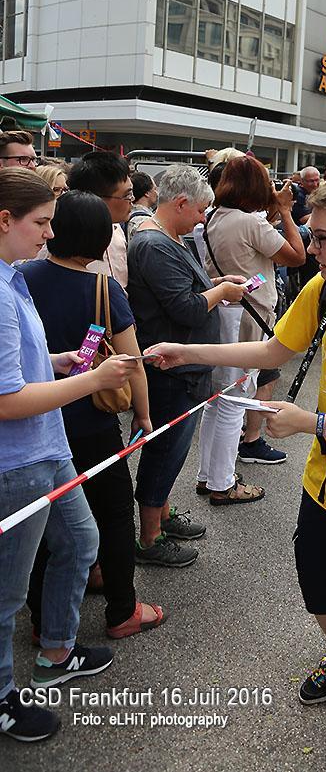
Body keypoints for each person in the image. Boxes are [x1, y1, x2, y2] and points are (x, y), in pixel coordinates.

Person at [146, 177, 326, 772]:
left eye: (321, 235)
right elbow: (271, 353)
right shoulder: (325, 291)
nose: (309, 244)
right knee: (319, 590)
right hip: (324, 485)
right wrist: (188, 349)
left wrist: (311, 422)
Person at [0, 169, 135, 742]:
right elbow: (7, 401)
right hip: (19, 460)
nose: (47, 235)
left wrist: (55, 361)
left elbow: (19, 371)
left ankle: (56, 649)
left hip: (47, 447)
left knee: (81, 540)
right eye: (39, 223)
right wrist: (92, 378)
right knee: (6, 592)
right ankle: (4, 696)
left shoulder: (15, 278)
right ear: (4, 220)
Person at [19, 191, 166, 639]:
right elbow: (131, 360)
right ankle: (123, 610)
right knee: (114, 513)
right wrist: (144, 416)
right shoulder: (104, 289)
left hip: (37, 421)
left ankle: (42, 617)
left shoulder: (19, 278)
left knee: (45, 520)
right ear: (104, 240)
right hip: (95, 425)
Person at [128, 165, 245, 567]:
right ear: (179, 203)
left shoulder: (166, 239)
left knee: (172, 450)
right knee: (164, 450)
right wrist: (222, 292)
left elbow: (189, 292)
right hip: (172, 368)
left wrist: (214, 285)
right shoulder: (155, 245)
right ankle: (149, 537)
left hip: (183, 365)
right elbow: (187, 308)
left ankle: (159, 513)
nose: (202, 218)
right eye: (200, 210)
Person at [198, 156, 305, 501]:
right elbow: (296, 256)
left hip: (223, 312)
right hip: (249, 318)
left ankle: (209, 475)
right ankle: (223, 483)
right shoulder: (249, 223)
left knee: (217, 400)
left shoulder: (214, 217)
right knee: (234, 400)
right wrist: (286, 212)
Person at [68, 151, 133, 290]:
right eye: (127, 195)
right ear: (96, 198)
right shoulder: (64, 238)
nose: (132, 200)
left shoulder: (117, 229)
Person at [126, 171, 158, 242]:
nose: (157, 193)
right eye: (155, 189)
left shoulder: (127, 214)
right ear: (147, 193)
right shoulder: (143, 222)